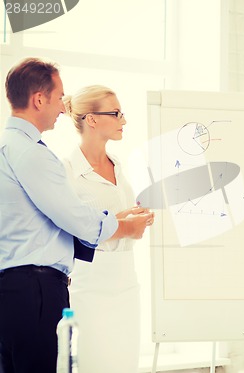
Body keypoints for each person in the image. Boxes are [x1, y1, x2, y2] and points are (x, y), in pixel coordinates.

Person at [0, 57, 154, 373]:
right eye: (58, 98)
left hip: (33, 285)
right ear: (38, 99)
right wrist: (123, 226)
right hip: (36, 287)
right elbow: (75, 219)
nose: (62, 107)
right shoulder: (34, 154)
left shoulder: (11, 146)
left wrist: (115, 221)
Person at [62, 85, 143, 373]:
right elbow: (67, 233)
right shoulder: (67, 171)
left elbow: (120, 222)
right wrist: (122, 226)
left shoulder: (118, 165)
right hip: (91, 284)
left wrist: (136, 223)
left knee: (126, 362)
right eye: (116, 113)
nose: (124, 120)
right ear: (92, 119)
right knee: (95, 362)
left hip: (126, 280)